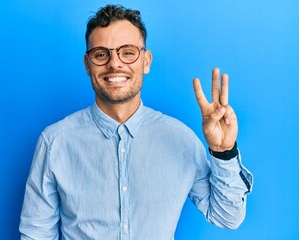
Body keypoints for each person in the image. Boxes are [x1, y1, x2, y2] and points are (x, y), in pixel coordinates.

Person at [19, 4, 253, 240]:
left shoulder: (181, 139)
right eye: (101, 54)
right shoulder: (55, 141)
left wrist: (224, 152)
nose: (114, 63)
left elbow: (226, 216)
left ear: (146, 61)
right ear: (87, 64)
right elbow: (36, 234)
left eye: (128, 52)